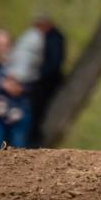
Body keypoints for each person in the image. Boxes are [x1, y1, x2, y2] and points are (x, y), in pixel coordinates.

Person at [0, 29, 32, 150]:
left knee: (18, 147)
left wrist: (19, 87)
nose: (3, 48)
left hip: (19, 110)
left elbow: (33, 82)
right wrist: (1, 84)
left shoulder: (21, 63)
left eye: (6, 45)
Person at [30, 13, 66, 148]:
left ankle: (35, 140)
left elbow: (54, 63)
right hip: (41, 81)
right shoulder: (45, 38)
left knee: (39, 110)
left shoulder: (54, 39)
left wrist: (38, 74)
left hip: (47, 82)